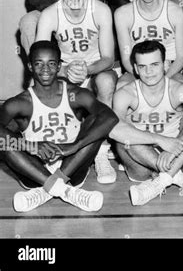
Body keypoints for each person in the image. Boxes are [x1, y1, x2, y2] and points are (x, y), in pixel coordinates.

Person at [0, 40, 119, 212]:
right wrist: (29, 145)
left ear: (59, 66)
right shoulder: (19, 102)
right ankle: (64, 191)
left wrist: (73, 146)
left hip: (72, 165)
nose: (45, 70)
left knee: (97, 124)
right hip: (34, 169)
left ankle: (46, 191)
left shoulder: (75, 94)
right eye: (39, 64)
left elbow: (110, 118)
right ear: (30, 67)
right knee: (6, 143)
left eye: (51, 64)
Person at [36, 0, 118, 185]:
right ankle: (51, 143)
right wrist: (63, 70)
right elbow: (39, 60)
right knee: (43, 84)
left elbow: (108, 58)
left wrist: (88, 70)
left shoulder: (100, 10)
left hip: (94, 67)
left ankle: (100, 152)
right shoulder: (50, 14)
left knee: (107, 82)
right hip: (63, 70)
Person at [111, 40, 183, 206]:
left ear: (165, 65)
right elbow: (113, 130)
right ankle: (178, 178)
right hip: (140, 162)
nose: (149, 71)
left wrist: (175, 147)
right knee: (126, 138)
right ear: (136, 69)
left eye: (154, 64)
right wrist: (160, 140)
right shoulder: (126, 93)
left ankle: (160, 182)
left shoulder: (179, 91)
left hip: (176, 154)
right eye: (143, 66)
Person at [114, 0, 183, 88]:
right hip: (139, 68)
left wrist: (164, 78)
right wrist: (144, 77)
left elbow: (181, 57)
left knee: (180, 87)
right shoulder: (122, 14)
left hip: (169, 67)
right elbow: (126, 59)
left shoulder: (176, 11)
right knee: (122, 85)